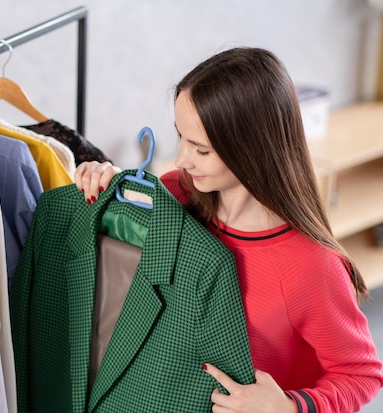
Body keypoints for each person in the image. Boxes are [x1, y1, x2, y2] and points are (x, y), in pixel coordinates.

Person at [74, 47, 383, 412]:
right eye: (181, 138)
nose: (182, 159)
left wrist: (288, 407)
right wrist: (106, 185)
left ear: (251, 149)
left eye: (201, 150)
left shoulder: (311, 266)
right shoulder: (178, 192)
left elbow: (360, 374)